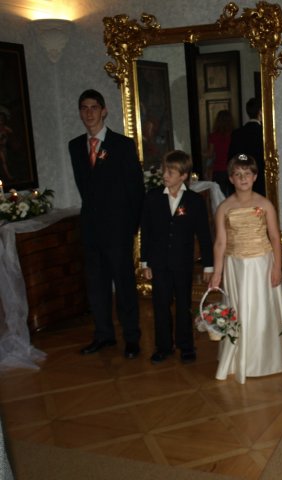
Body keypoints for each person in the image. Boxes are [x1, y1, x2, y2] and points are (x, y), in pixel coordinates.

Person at [69, 89, 145, 359]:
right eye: (84, 108)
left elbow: (136, 190)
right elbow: (85, 188)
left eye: (93, 107)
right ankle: (103, 335)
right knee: (96, 287)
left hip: (118, 230)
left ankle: (132, 338)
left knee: (124, 287)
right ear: (80, 113)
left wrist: (131, 228)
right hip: (91, 230)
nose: (89, 112)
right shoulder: (75, 146)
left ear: (104, 111)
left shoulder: (122, 145)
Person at [209, 153, 282, 383]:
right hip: (235, 265)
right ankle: (237, 357)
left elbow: (274, 238)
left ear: (255, 177)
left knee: (261, 309)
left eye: (247, 174)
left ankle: (263, 358)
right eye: (238, 174)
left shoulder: (265, 204)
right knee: (238, 309)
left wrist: (277, 268)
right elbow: (220, 242)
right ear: (231, 179)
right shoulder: (224, 207)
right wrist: (217, 272)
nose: (243, 178)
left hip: (261, 264)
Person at [140, 150, 213, 364]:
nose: (165, 175)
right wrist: (145, 262)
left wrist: (209, 265)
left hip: (182, 264)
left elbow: (204, 235)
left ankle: (186, 346)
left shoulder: (194, 201)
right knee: (160, 305)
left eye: (171, 172)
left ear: (183, 175)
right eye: (165, 170)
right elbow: (146, 231)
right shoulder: (153, 197)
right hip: (158, 263)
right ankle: (163, 346)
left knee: (183, 305)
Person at [227, 98, 265, 196]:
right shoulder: (264, 133)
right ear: (260, 112)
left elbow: (232, 159)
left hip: (242, 178)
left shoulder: (237, 133)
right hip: (262, 179)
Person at [205, 109, 233, 195]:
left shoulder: (213, 136)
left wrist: (201, 154)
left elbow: (210, 154)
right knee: (233, 195)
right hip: (232, 168)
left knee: (220, 196)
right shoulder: (234, 135)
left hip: (218, 169)